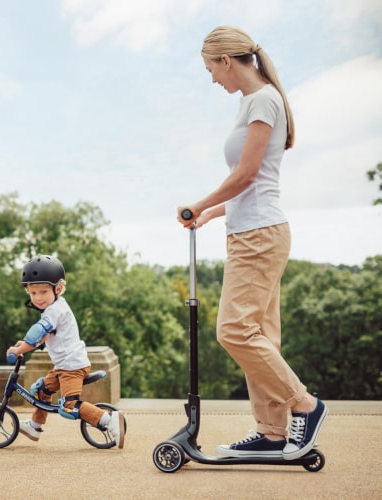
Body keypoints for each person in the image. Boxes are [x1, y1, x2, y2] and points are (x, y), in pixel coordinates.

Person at [177, 26, 327, 460]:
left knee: (234, 331)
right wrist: (209, 213)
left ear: (226, 60)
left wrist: (197, 202)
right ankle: (272, 431)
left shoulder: (263, 99)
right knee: (261, 335)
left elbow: (245, 175)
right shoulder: (253, 102)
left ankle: (306, 405)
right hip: (252, 231)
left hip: (258, 237)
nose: (212, 79)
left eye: (211, 69)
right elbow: (252, 184)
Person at [6, 254, 125, 449]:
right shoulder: (55, 307)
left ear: (58, 288)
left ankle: (108, 420)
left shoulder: (55, 311)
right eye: (33, 293)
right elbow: (44, 337)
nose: (37, 298)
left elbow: (37, 333)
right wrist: (24, 346)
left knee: (68, 407)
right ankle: (35, 425)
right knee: (41, 390)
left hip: (72, 367)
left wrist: (18, 350)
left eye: (43, 291)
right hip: (64, 366)